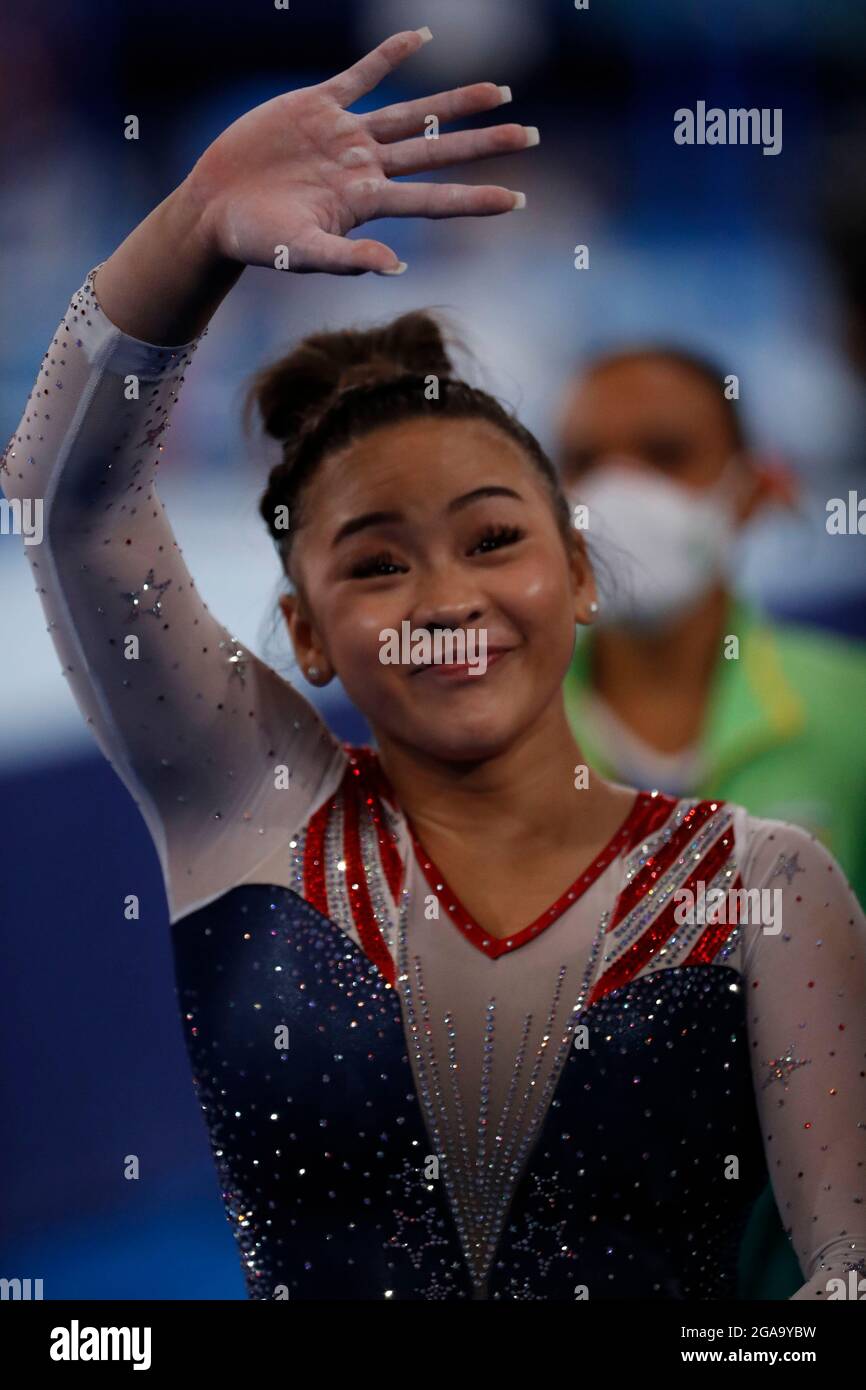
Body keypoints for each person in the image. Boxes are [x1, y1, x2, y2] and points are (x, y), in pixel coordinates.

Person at [3, 28, 865, 1302]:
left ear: (576, 576)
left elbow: (845, 1273)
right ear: (306, 635)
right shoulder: (253, 812)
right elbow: (67, 502)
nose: (445, 596)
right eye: (373, 561)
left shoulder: (764, 879)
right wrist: (191, 228)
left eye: (491, 539)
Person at [557, 349, 866, 911]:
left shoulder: (853, 708)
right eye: (585, 461)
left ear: (751, 490)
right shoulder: (502, 731)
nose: (618, 492)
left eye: (665, 454)